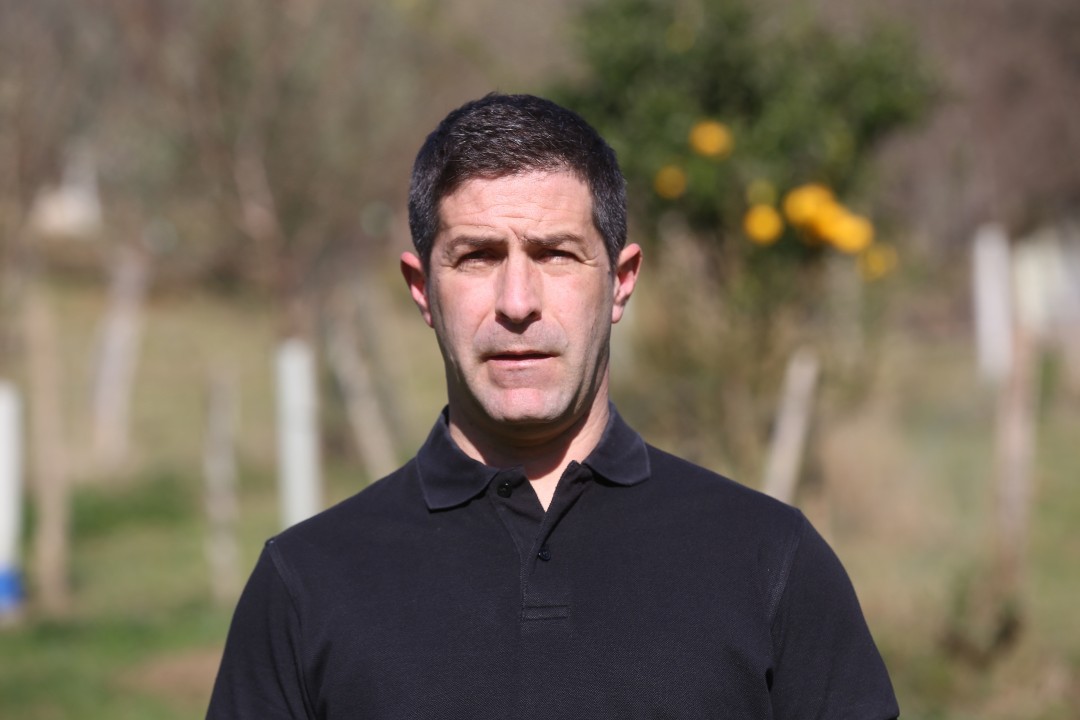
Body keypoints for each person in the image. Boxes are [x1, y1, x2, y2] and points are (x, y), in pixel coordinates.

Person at [206, 93, 899, 719]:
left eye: (557, 255)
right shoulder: (307, 586)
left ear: (621, 281)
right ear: (423, 291)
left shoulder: (770, 561)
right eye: (477, 257)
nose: (517, 303)